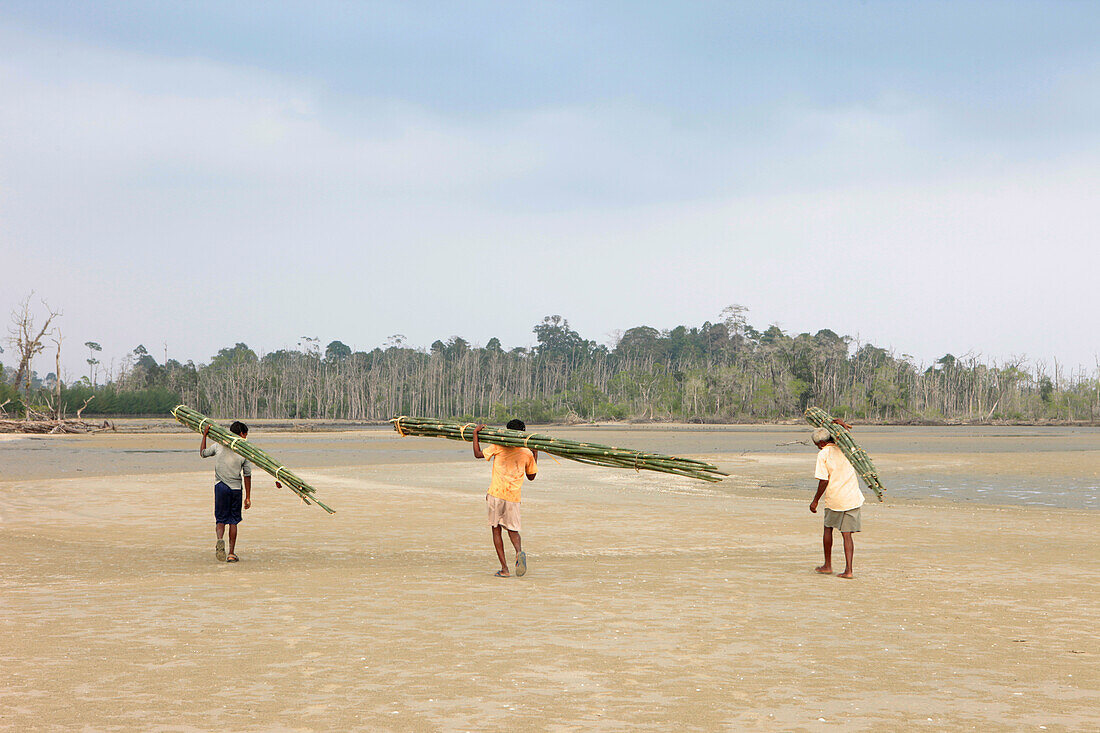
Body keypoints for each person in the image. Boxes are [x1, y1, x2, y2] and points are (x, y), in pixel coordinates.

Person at [472, 419, 538, 577]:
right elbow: (532, 476)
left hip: (496, 494)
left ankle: (505, 569)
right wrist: (535, 453)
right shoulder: (526, 452)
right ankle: (518, 552)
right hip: (513, 497)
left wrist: (475, 434)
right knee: (513, 530)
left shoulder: (499, 445)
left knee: (496, 530)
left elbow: (478, 454)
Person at [809, 422, 865, 578]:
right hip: (852, 496)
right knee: (847, 534)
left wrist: (815, 501)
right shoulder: (845, 447)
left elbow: (823, 480)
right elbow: (848, 437)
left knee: (828, 528)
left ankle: (827, 565)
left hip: (835, 498)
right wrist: (842, 425)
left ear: (821, 443)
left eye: (817, 445)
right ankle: (849, 570)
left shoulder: (823, 454)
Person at [200, 421, 252, 563]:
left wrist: (204, 435)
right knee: (233, 521)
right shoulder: (244, 451)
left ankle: (219, 540)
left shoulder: (218, 445)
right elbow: (247, 475)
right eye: (245, 435)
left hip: (220, 487)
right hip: (235, 489)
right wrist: (248, 497)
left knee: (220, 520)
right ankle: (231, 553)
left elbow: (203, 453)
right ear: (241, 434)